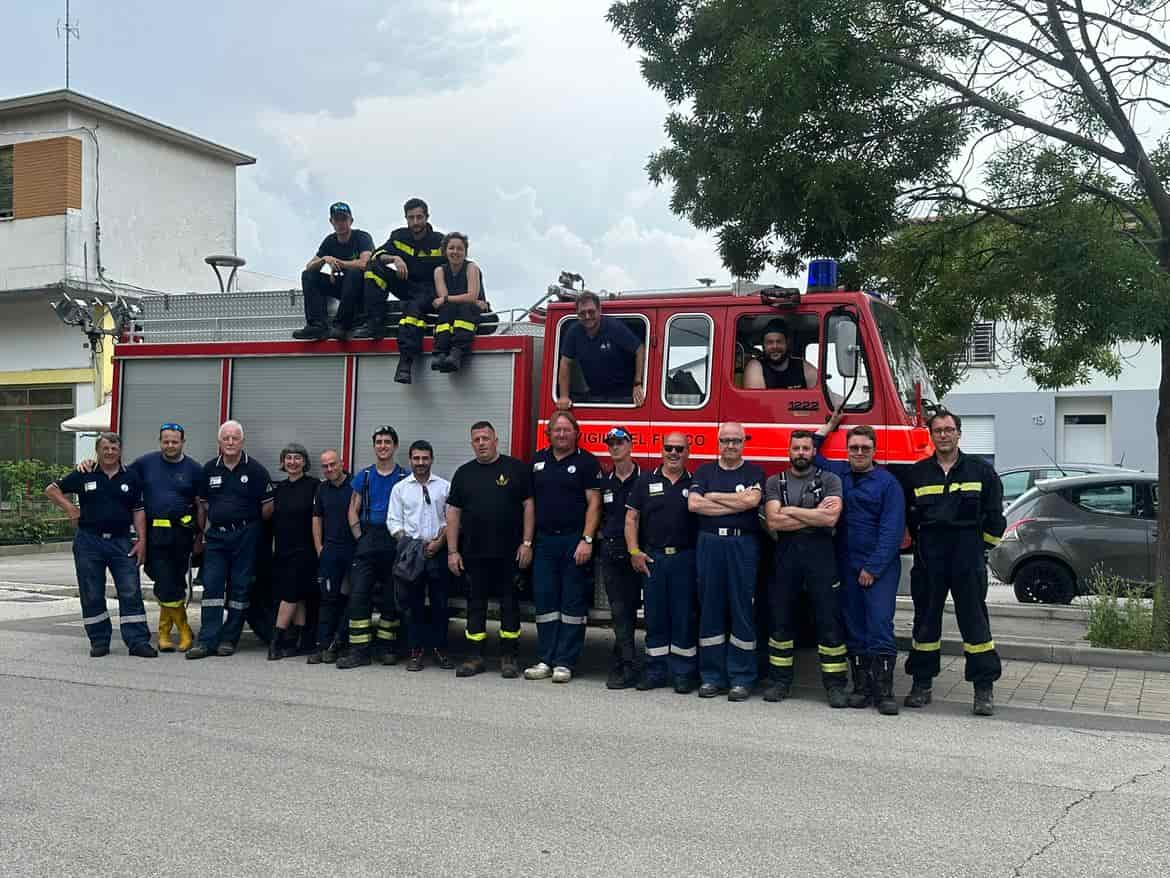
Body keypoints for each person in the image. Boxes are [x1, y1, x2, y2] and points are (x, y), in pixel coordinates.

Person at [904, 411, 1006, 716]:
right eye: (938, 430)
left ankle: (983, 690)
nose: (944, 435)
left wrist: (979, 550)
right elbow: (911, 520)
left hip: (967, 557)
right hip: (929, 559)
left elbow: (996, 519)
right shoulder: (917, 474)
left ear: (959, 434)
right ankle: (921, 685)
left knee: (975, 625)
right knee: (925, 623)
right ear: (931, 435)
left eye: (949, 430)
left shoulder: (981, 472)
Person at [76, 422, 203, 652]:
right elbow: (115, 471)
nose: (170, 445)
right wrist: (90, 463)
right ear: (160, 441)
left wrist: (199, 537)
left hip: (181, 534)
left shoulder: (194, 469)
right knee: (163, 580)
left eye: (175, 441)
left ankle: (169, 632)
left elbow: (201, 505)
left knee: (174, 581)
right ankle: (180, 630)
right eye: (166, 441)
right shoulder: (145, 463)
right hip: (154, 534)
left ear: (183, 442)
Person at [814, 413, 906, 715]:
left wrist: (873, 568)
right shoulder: (838, 474)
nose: (859, 453)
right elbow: (811, 452)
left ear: (874, 450)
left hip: (878, 567)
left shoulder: (888, 484)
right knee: (853, 627)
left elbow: (892, 531)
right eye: (853, 447)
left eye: (865, 448)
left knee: (879, 624)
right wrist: (827, 429)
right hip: (846, 565)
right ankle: (861, 687)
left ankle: (885, 692)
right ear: (847, 450)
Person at [45, 432, 156, 658]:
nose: (110, 452)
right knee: (91, 592)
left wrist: (142, 541)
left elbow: (138, 511)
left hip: (121, 541)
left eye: (114, 449)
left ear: (120, 451)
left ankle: (137, 642)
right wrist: (70, 508)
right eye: (105, 448)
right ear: (97, 450)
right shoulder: (84, 473)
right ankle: (99, 640)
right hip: (89, 541)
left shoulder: (131, 477)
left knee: (130, 590)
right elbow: (52, 489)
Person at [762, 431, 847, 707]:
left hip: (821, 557)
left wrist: (790, 511)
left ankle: (835, 686)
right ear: (789, 451)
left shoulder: (831, 480)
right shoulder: (775, 482)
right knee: (781, 622)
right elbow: (773, 522)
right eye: (796, 448)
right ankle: (780, 682)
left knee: (829, 623)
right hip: (786, 557)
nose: (801, 452)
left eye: (805, 448)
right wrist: (815, 517)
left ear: (813, 452)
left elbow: (831, 517)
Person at [447, 421, 534, 679]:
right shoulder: (463, 473)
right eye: (476, 439)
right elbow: (453, 513)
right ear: (472, 443)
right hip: (474, 554)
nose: (481, 443)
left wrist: (527, 543)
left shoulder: (515, 469)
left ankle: (509, 656)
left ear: (497, 440)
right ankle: (474, 656)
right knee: (476, 606)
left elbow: (529, 506)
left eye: (486, 438)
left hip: (510, 554)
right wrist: (453, 551)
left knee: (510, 605)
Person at [688, 422, 764, 701]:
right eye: (726, 440)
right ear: (717, 442)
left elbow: (751, 503)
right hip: (709, 543)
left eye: (736, 440)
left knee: (742, 608)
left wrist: (715, 497)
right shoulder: (705, 471)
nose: (731, 445)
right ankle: (712, 677)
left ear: (744, 442)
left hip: (742, 544)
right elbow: (694, 505)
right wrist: (736, 500)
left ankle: (742, 678)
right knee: (710, 606)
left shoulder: (754, 471)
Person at [525, 410, 602, 683]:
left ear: (576, 434)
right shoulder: (537, 461)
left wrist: (587, 539)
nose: (561, 434)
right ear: (549, 434)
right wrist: (528, 542)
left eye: (566, 430)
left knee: (572, 603)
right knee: (545, 601)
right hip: (545, 541)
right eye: (556, 430)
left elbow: (594, 503)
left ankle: (565, 662)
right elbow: (529, 505)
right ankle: (545, 658)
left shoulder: (587, 463)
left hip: (574, 541)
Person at [188, 420, 274, 659]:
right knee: (212, 588)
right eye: (226, 438)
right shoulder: (209, 470)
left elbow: (268, 509)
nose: (230, 442)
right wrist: (202, 533)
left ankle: (229, 639)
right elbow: (202, 505)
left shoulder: (255, 470)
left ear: (242, 441)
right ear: (219, 442)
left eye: (235, 438)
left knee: (240, 588)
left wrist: (249, 527)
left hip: (245, 536)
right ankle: (206, 641)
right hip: (216, 537)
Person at [625, 432, 699, 694]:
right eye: (669, 447)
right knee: (655, 617)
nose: (674, 453)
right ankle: (655, 671)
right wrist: (634, 550)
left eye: (680, 448)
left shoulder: (696, 482)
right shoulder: (645, 480)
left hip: (684, 558)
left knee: (684, 617)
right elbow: (631, 519)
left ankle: (682, 673)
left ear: (688, 452)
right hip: (653, 558)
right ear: (661, 450)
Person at [337, 426, 409, 669]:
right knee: (359, 595)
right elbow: (352, 509)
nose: (383, 446)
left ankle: (386, 648)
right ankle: (359, 651)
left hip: (394, 540)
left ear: (395, 446)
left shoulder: (404, 477)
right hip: (368, 539)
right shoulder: (364, 476)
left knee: (391, 597)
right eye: (378, 442)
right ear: (374, 446)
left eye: (387, 442)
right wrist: (360, 537)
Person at [360, 198, 445, 383]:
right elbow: (377, 255)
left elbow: (459, 267)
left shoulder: (439, 241)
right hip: (405, 285)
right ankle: (374, 323)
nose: (415, 222)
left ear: (427, 217)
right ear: (406, 218)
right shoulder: (398, 236)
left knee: (412, 311)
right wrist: (395, 258)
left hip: (429, 291)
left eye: (419, 217)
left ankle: (405, 363)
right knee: (372, 269)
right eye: (411, 217)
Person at [388, 440, 454, 671]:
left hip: (438, 551)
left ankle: (439, 649)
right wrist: (408, 544)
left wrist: (439, 542)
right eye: (416, 458)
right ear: (410, 460)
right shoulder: (400, 488)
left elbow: (451, 519)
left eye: (425, 458)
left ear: (432, 459)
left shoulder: (444, 487)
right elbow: (393, 521)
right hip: (411, 553)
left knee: (440, 603)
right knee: (413, 604)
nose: (420, 463)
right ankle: (415, 651)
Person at [596, 426, 641, 689]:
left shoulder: (644, 480)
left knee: (632, 607)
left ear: (630, 445)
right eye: (611, 443)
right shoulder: (605, 482)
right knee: (618, 609)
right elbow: (596, 512)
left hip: (636, 552)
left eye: (620, 442)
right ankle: (626, 664)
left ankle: (625, 658)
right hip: (611, 550)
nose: (615, 447)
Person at [292, 201, 375, 341]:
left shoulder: (362, 237)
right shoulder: (329, 241)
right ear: (331, 221)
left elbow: (364, 263)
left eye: (344, 219)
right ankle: (317, 326)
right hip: (343, 288)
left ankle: (341, 326)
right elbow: (309, 266)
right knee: (308, 275)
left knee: (354, 272)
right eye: (337, 219)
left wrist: (339, 263)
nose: (341, 223)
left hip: (362, 291)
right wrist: (324, 259)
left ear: (351, 220)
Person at [268, 443, 320, 660]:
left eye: (297, 458)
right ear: (283, 462)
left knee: (289, 595)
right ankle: (299, 641)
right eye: (288, 458)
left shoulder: (314, 486)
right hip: (283, 550)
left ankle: (276, 641)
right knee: (297, 596)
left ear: (305, 462)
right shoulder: (278, 489)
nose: (292, 462)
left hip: (305, 550)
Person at [556, 291, 646, 408]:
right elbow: (565, 363)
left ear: (599, 310)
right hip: (596, 394)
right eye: (582, 313)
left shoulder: (614, 327)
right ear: (577, 314)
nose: (587, 316)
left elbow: (640, 349)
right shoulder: (574, 333)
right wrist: (563, 396)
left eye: (591, 311)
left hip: (625, 393)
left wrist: (638, 383)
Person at [309, 449, 355, 664]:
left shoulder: (354, 485)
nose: (329, 469)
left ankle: (340, 643)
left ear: (342, 463)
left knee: (353, 600)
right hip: (330, 552)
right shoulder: (322, 489)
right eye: (325, 466)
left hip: (352, 552)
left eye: (333, 464)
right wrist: (319, 547)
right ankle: (322, 646)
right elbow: (317, 519)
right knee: (328, 600)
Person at [431, 232, 489, 374]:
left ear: (465, 252)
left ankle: (457, 353)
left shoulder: (471, 268)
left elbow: (471, 296)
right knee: (446, 310)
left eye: (459, 249)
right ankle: (441, 354)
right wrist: (446, 299)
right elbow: (443, 296)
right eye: (451, 248)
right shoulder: (439, 271)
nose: (455, 252)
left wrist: (446, 299)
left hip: (474, 314)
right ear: (445, 251)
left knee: (466, 307)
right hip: (451, 313)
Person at [742, 319, 819, 390]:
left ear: (787, 343)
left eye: (779, 342)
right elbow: (758, 401)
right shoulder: (755, 366)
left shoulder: (801, 366)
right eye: (770, 342)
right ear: (763, 346)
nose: (775, 346)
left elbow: (824, 393)